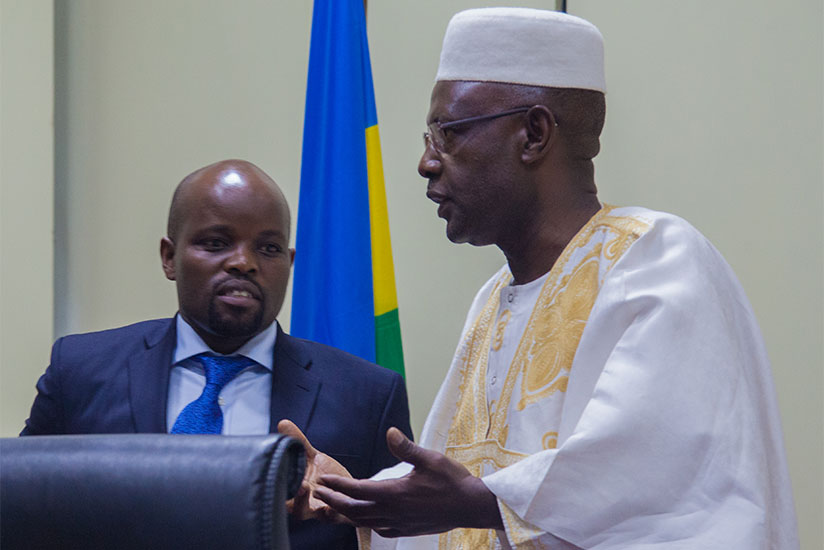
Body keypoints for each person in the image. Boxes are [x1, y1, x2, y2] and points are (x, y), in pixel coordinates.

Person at [291, 8, 800, 550]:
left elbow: (660, 488)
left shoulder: (656, 261)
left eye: (449, 133)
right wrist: (353, 494)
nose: (426, 162)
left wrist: (479, 503)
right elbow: (455, 482)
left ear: (533, 134)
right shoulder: (492, 303)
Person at [21, 159, 413, 550]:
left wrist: (362, 513)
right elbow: (21, 512)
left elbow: (405, 536)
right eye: (216, 243)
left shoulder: (367, 395)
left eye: (269, 248)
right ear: (169, 257)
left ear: (289, 264)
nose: (244, 262)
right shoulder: (80, 371)